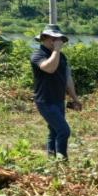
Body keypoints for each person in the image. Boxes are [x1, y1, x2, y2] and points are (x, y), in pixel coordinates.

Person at [30, 24, 82, 160]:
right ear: (44, 38)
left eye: (59, 39)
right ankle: (62, 161)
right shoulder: (37, 55)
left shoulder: (61, 57)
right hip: (45, 101)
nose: (57, 42)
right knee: (64, 130)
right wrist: (57, 50)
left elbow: (67, 78)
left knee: (53, 132)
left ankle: (52, 160)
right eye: (53, 38)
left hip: (59, 100)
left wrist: (75, 99)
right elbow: (49, 68)